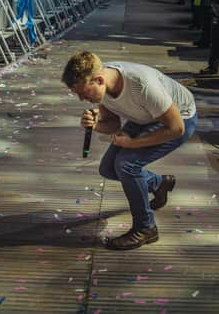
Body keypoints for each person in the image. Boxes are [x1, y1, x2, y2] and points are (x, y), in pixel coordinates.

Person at [62, 52, 197, 250]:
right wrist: (95, 125)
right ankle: (159, 184)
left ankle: (146, 228)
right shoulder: (102, 83)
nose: (82, 99)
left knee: (126, 165)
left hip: (180, 119)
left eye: (84, 93)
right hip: (144, 116)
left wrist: (133, 144)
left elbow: (176, 129)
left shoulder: (142, 86)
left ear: (99, 80)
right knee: (108, 168)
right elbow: (113, 124)